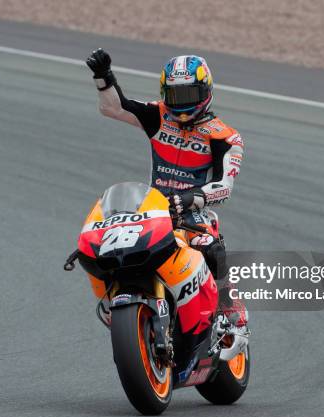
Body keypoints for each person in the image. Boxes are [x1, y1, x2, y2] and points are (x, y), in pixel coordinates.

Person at [86, 49, 246, 328]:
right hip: (153, 207)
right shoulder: (158, 116)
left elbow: (225, 186)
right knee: (111, 242)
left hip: (194, 212)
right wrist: (104, 77)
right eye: (175, 96)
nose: (181, 105)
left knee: (209, 247)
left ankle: (227, 301)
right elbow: (114, 107)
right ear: (164, 94)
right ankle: (116, 297)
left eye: (188, 95)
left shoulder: (225, 136)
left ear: (205, 91)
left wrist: (194, 197)